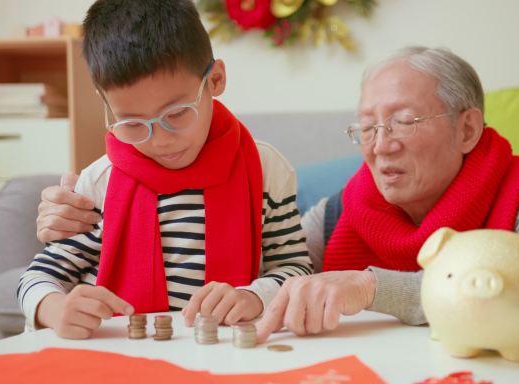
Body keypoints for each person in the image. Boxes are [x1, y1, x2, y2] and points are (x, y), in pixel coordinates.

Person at [36, 46, 519, 342]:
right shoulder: (341, 209)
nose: (380, 147)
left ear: (467, 129)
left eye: (403, 122)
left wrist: (368, 287)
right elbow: (283, 274)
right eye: (366, 127)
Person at [19, 0, 312, 340]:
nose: (160, 141)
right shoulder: (100, 181)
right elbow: (39, 276)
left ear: (215, 80)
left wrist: (252, 297)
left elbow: (296, 270)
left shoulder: (266, 168)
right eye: (130, 123)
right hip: (125, 355)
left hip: (224, 355)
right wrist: (56, 308)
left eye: (176, 114)